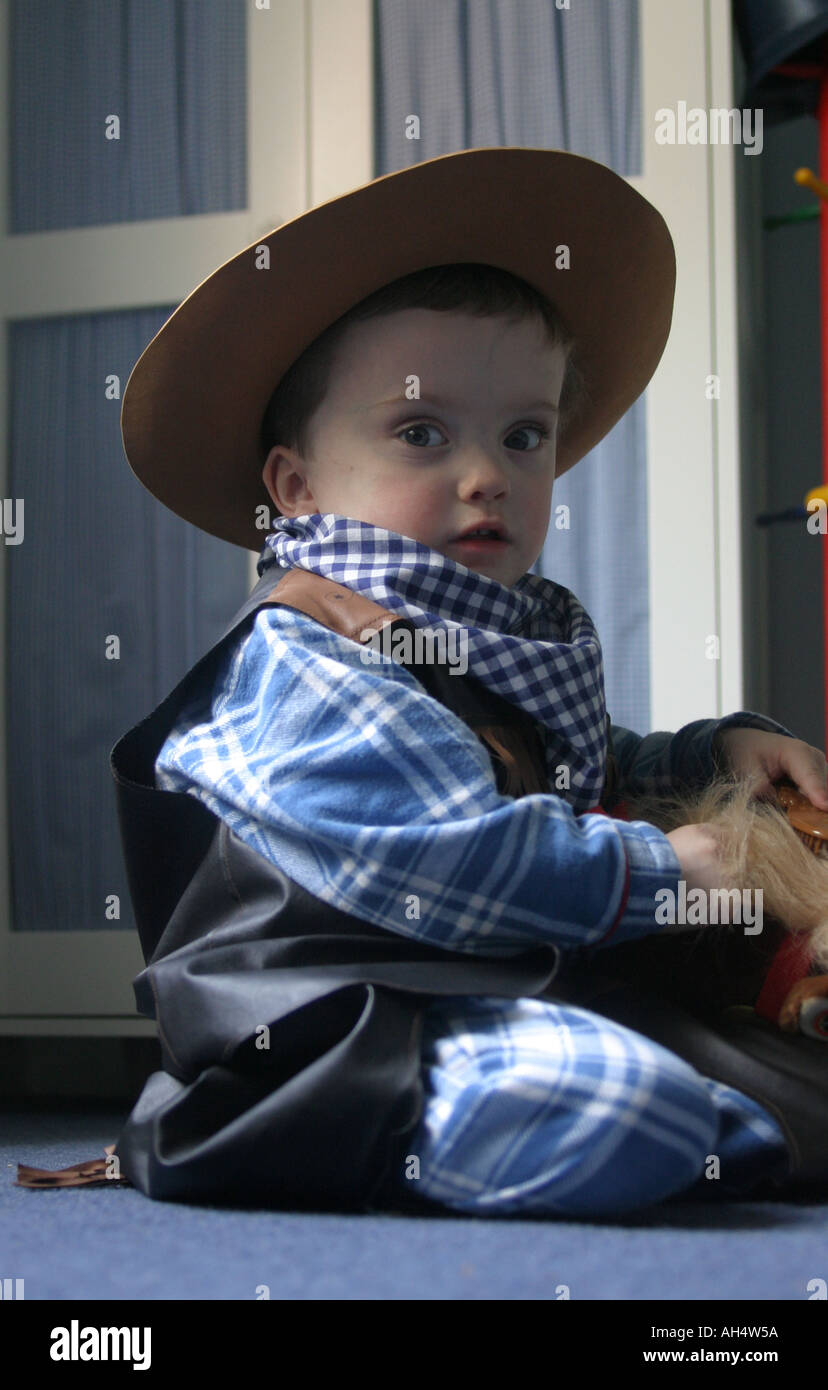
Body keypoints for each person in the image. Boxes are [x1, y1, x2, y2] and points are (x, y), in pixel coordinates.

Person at [110, 148, 828, 1217]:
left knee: (784, 1090)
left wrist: (705, 756)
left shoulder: (486, 635)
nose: (488, 473)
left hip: (490, 982)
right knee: (624, 1093)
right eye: (420, 432)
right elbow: (444, 846)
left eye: (524, 434)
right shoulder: (305, 657)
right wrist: (654, 871)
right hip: (340, 1028)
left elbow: (565, 775)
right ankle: (564, 1117)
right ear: (298, 487)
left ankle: (702, 1113)